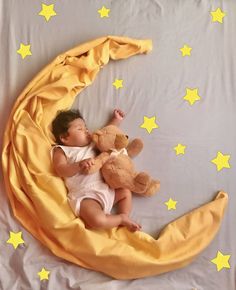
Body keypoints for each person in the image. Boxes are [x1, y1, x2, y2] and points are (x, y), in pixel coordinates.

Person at [51, 108, 141, 232]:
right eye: (80, 129)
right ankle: (120, 219)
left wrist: (115, 120)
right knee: (97, 221)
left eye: (86, 127)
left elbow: (107, 133)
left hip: (107, 189)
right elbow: (61, 169)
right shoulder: (61, 150)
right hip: (86, 195)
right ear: (64, 138)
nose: (86, 131)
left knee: (125, 192)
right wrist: (78, 165)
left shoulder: (93, 142)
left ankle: (124, 215)